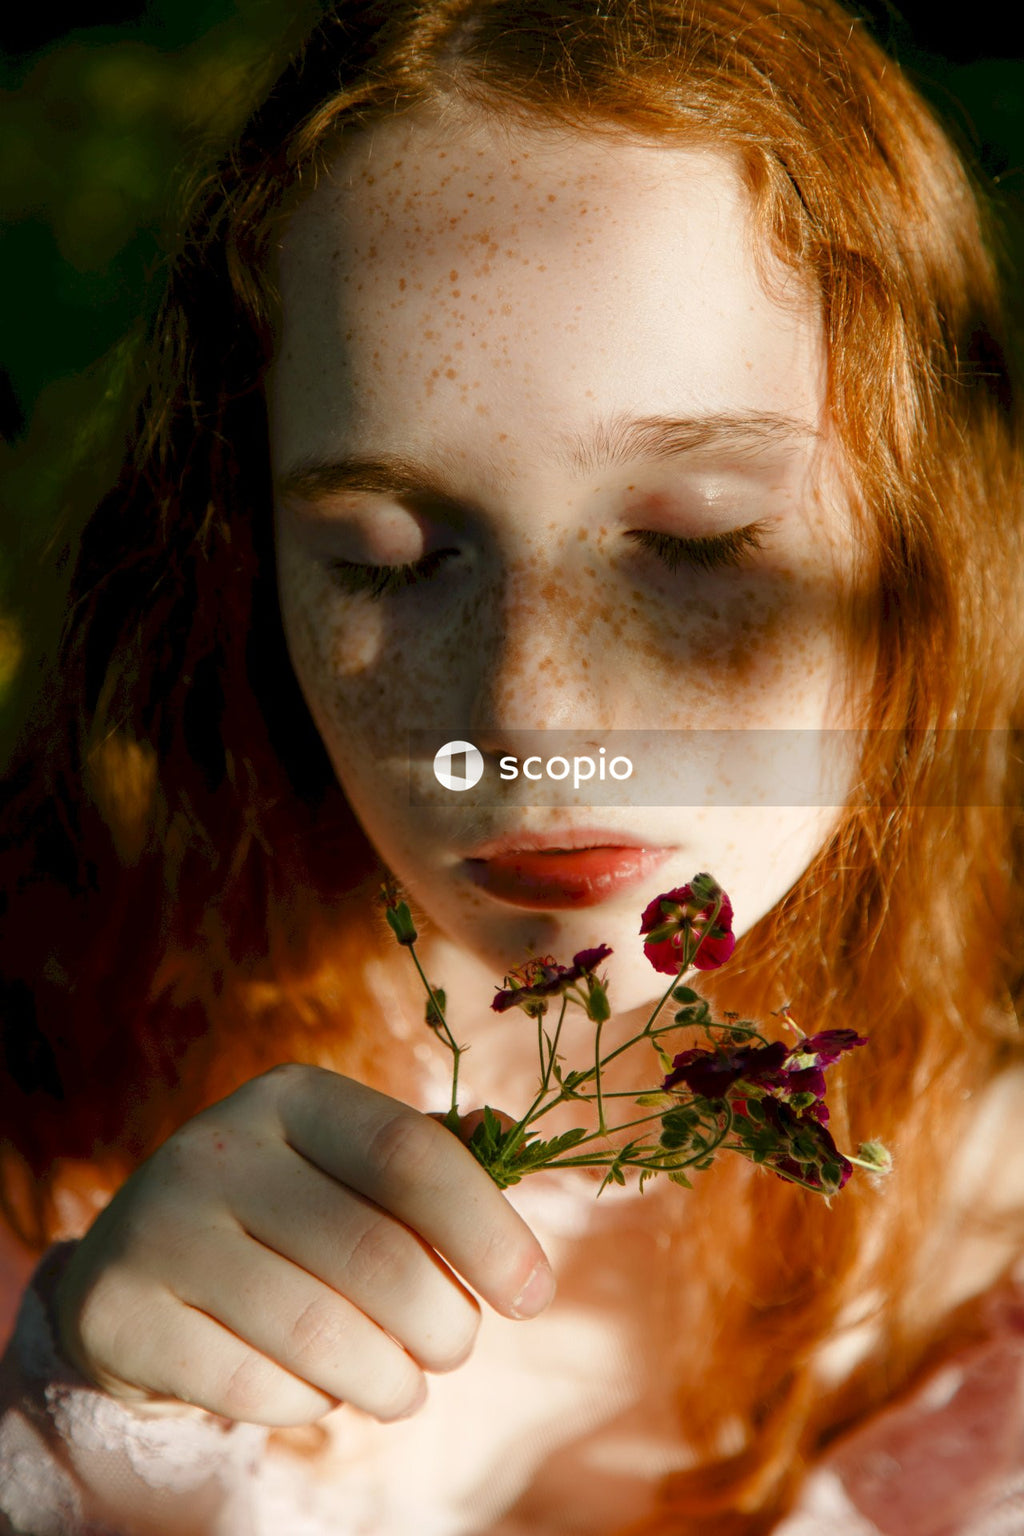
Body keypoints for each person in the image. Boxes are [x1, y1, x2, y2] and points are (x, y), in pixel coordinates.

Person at [1, 0, 1022, 1531]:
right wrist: (97, 1446)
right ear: (245, 555)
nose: (530, 720)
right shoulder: (52, 1057)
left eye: (696, 544)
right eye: (389, 559)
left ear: (928, 541)